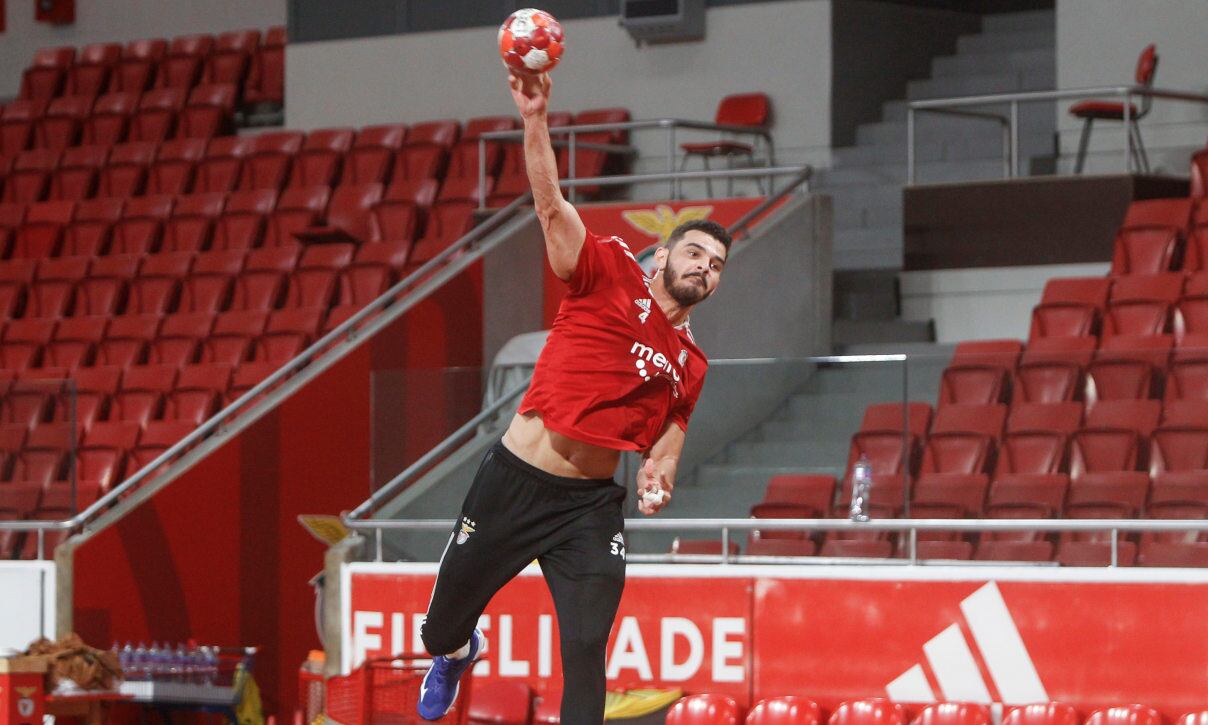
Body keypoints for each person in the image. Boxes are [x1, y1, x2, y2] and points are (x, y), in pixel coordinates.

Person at [417, 70, 731, 723]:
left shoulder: (692, 362)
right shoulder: (608, 269)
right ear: (663, 256)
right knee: (437, 626)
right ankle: (455, 649)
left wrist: (659, 478)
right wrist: (535, 117)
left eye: (717, 264)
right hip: (514, 481)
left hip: (589, 506)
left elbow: (670, 438)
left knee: (586, 646)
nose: (705, 265)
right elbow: (552, 204)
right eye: (696, 251)